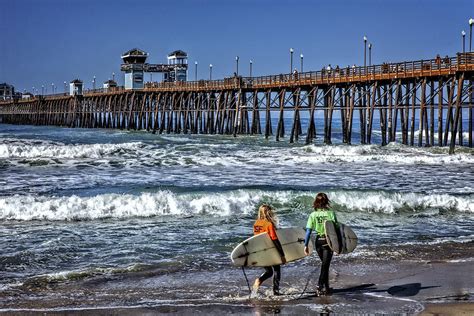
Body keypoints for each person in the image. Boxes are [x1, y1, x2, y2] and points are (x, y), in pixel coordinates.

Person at [303, 193, 338, 296]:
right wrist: (339, 246)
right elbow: (336, 230)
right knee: (325, 265)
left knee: (325, 265)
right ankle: (319, 286)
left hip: (318, 242)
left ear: (316, 202)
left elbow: (308, 232)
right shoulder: (330, 213)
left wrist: (305, 245)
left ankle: (326, 287)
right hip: (328, 242)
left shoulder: (313, 215)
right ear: (326, 201)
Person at [253, 204, 286, 295]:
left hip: (259, 251)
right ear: (269, 212)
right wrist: (282, 255)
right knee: (276, 270)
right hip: (269, 251)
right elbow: (275, 240)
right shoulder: (269, 224)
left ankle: (259, 280)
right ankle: (276, 291)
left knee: (269, 271)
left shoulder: (256, 223)